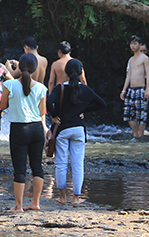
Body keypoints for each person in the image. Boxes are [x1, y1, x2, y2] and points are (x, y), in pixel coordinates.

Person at [46, 59, 107, 205]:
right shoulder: (85, 90)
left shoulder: (59, 88)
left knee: (61, 163)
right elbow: (102, 104)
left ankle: (62, 197)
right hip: (79, 129)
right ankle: (76, 198)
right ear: (80, 72)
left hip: (63, 129)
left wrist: (54, 115)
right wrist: (83, 110)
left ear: (66, 72)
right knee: (78, 164)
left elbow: (48, 102)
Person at [0, 53, 47, 213]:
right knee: (37, 167)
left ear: (19, 67)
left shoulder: (10, 85)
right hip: (36, 129)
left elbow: (2, 106)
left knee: (19, 169)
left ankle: (18, 206)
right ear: (35, 68)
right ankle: (35, 202)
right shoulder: (41, 88)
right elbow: (42, 112)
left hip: (19, 129)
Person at [120, 35, 149, 138]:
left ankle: (141, 134)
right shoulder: (131, 60)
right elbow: (128, 76)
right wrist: (124, 90)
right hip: (131, 89)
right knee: (128, 113)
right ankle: (135, 133)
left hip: (141, 88)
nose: (133, 46)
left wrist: (147, 89)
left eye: (135, 44)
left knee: (141, 113)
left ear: (140, 45)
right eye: (131, 44)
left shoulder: (144, 58)